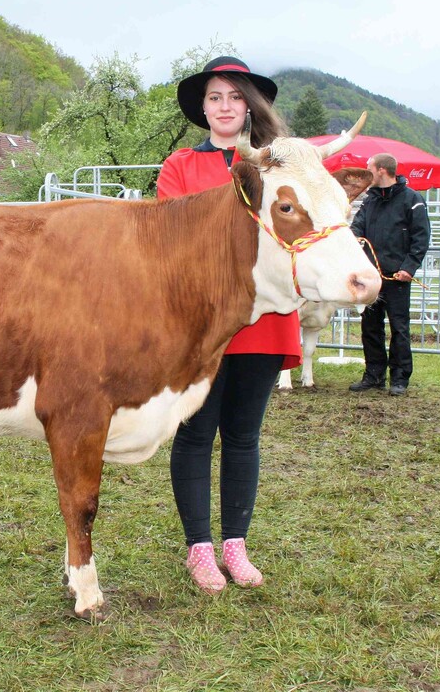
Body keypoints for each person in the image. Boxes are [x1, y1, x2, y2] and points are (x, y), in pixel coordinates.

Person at [156, 56, 300, 594]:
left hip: (265, 317)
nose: (224, 106)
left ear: (249, 106)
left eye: (234, 97)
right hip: (204, 322)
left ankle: (235, 547)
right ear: (203, 106)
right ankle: (199, 549)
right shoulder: (179, 166)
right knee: (195, 433)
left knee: (243, 436)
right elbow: (173, 243)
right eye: (215, 97)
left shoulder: (280, 165)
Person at [348, 153, 431, 396]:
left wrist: (409, 267)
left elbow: (420, 237)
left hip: (397, 278)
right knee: (370, 326)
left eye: (368, 169)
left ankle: (400, 377)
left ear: (382, 171)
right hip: (371, 277)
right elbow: (357, 227)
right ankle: (373, 375)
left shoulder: (412, 200)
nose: (366, 173)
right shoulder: (369, 201)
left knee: (399, 327)